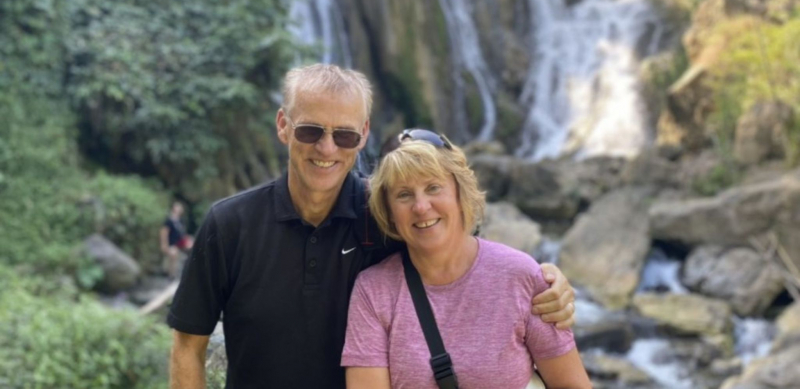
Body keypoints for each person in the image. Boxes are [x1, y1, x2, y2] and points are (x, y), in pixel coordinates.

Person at [168, 64, 577, 389]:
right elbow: (188, 345)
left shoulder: (388, 214)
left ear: (363, 135)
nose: (326, 148)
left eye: (344, 135)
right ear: (283, 125)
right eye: (311, 130)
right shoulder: (230, 224)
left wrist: (548, 279)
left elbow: (466, 258)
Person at [342, 131, 592, 389]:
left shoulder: (521, 276)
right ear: (390, 212)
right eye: (404, 194)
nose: (420, 206)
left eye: (433, 187)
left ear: (460, 193)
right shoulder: (373, 291)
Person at [160, 201, 193, 278]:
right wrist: (164, 245)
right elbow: (164, 233)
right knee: (174, 254)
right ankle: (172, 275)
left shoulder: (180, 221)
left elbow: (182, 234)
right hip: (172, 243)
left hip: (180, 243)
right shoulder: (169, 221)